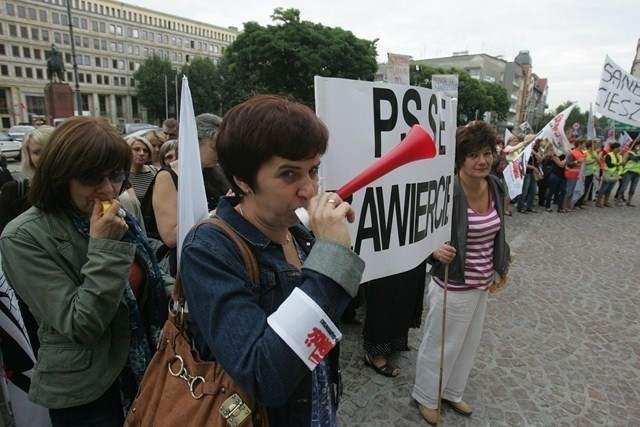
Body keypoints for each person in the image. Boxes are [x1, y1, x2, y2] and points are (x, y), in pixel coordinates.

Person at [180, 95, 365, 426]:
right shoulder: (209, 249)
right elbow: (263, 375)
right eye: (289, 174)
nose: (309, 189)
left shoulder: (301, 233)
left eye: (313, 170)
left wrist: (335, 247)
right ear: (242, 180)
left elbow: (323, 331)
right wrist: (333, 258)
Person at [0, 117, 168, 426]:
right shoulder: (23, 236)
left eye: (115, 175)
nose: (107, 189)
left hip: (148, 371)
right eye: (92, 177)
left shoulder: (120, 214)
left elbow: (151, 278)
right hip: (88, 393)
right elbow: (81, 324)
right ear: (61, 176)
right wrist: (104, 247)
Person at [412, 121, 510, 425]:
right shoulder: (445, 188)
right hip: (451, 281)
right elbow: (418, 229)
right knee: (441, 342)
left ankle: (452, 390)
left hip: (482, 282)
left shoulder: (495, 185)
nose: (481, 161)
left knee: (468, 341)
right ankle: (426, 396)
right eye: (472, 155)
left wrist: (500, 264)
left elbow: (498, 229)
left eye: (486, 153)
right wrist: (433, 250)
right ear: (459, 158)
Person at [143, 113, 230, 276]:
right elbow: (170, 237)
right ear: (194, 142)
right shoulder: (167, 177)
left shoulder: (215, 171)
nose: (220, 153)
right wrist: (220, 211)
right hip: (185, 265)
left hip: (215, 257)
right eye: (214, 147)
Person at [362, 261, 426, 377]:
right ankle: (374, 353)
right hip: (389, 252)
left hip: (412, 249)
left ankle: (398, 339)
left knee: (408, 288)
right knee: (386, 292)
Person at [126, 136, 157, 201]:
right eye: (136, 149)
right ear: (127, 151)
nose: (141, 153)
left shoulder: (155, 171)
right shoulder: (122, 175)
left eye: (145, 151)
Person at [597, 142, 623, 208]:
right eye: (618, 148)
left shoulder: (619, 156)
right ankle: (599, 202)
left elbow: (621, 166)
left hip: (615, 174)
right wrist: (617, 164)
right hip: (609, 173)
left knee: (609, 189)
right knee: (603, 189)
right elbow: (609, 164)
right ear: (614, 148)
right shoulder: (609, 155)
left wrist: (620, 173)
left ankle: (606, 202)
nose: (619, 149)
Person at [615, 141, 640, 207]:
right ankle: (618, 201)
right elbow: (634, 159)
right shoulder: (630, 152)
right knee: (623, 187)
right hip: (628, 172)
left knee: (633, 188)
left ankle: (629, 201)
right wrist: (638, 153)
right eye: (638, 145)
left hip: (637, 173)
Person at [563, 138, 586, 211]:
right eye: (583, 144)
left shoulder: (581, 152)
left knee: (572, 190)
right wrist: (577, 162)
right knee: (569, 190)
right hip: (571, 173)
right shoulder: (573, 153)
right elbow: (568, 163)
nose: (584, 146)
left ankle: (569, 205)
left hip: (577, 174)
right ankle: (565, 206)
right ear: (579, 144)